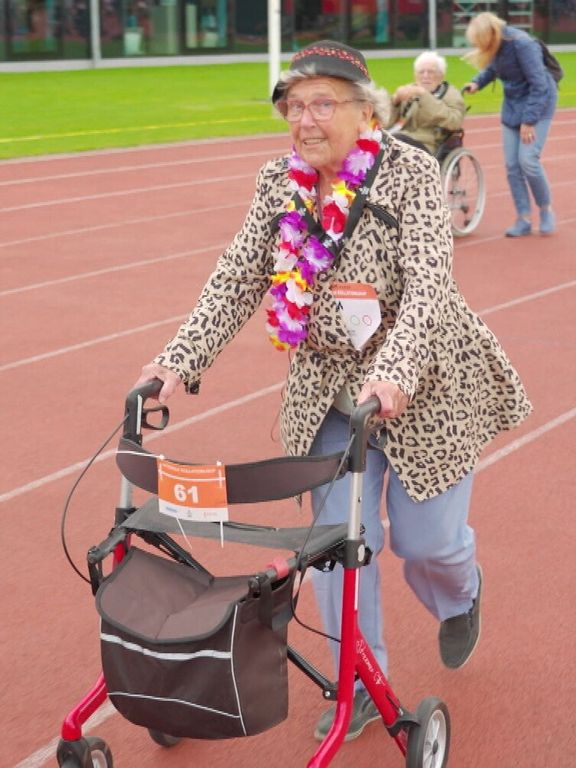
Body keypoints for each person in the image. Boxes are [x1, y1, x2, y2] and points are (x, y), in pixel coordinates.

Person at [135, 40, 532, 742]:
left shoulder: (409, 171)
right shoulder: (277, 182)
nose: (304, 119)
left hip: (424, 381)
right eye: (294, 105)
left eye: (322, 103)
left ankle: (460, 592)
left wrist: (395, 371)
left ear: (365, 109)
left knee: (427, 542)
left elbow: (430, 287)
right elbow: (237, 277)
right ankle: (362, 680)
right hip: (326, 388)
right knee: (339, 547)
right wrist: (176, 361)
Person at [462, 12, 558, 237]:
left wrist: (529, 121)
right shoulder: (497, 46)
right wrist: (477, 82)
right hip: (513, 105)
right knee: (512, 166)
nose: (479, 46)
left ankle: (546, 210)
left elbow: (539, 85)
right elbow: (493, 69)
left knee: (528, 161)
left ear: (490, 35)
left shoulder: (523, 44)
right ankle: (523, 218)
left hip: (539, 103)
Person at [387, 50, 466, 155]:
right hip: (402, 137)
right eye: (421, 72)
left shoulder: (451, 95)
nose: (425, 76)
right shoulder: (409, 91)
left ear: (441, 76)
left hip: (428, 144)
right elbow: (386, 123)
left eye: (431, 72)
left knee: (393, 142)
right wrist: (395, 102)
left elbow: (454, 122)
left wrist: (424, 95)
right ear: (415, 75)